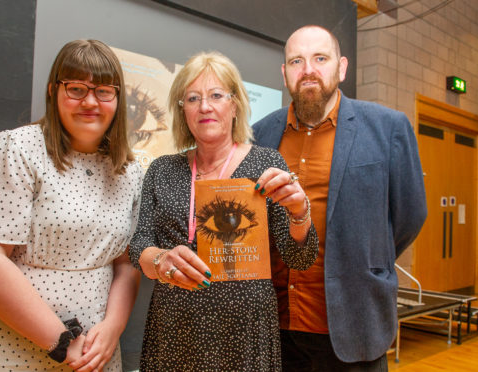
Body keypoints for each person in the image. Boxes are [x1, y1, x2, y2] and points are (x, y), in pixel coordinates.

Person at [0, 39, 143, 372]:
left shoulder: (129, 170)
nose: (90, 102)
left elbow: (127, 263)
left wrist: (114, 327)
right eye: (77, 89)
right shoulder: (18, 148)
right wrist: (61, 341)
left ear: (117, 98)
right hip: (10, 345)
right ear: (54, 91)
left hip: (93, 353)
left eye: (103, 91)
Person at [128, 51, 319, 371]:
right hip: (174, 333)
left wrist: (300, 211)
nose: (205, 106)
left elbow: (298, 257)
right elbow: (138, 245)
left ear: (234, 105)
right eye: (192, 98)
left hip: (244, 335)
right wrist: (161, 260)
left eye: (216, 95)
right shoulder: (162, 170)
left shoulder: (265, 164)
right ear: (182, 110)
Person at [252, 25, 427, 371]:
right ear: (284, 72)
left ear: (342, 68)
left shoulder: (387, 127)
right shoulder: (260, 134)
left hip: (354, 324)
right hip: (277, 328)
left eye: (320, 58)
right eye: (297, 61)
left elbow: (410, 215)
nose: (308, 70)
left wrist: (366, 258)